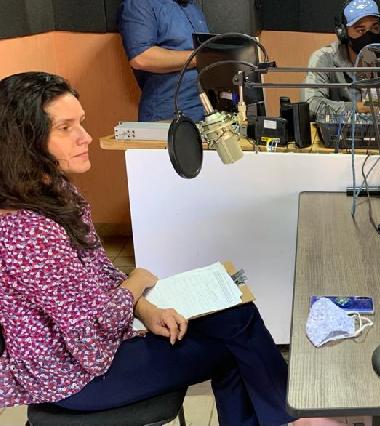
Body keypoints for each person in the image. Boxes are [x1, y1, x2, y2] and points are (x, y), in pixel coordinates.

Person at [0, 71, 340, 426]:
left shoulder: (56, 191)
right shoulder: (29, 231)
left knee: (236, 313)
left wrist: (143, 306)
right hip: (75, 378)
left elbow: (98, 271)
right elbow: (90, 342)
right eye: (65, 128)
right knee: (235, 345)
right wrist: (135, 283)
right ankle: (292, 419)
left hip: (97, 348)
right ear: (23, 139)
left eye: (80, 122)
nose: (85, 136)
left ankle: (290, 418)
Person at [118, 0, 208, 122]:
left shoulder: (192, 7)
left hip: (204, 110)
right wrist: (200, 58)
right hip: (168, 113)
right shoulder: (140, 4)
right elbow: (142, 58)